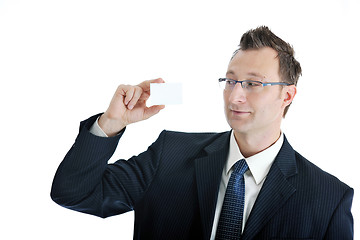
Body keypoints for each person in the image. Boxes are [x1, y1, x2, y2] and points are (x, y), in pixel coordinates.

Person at [51, 26, 354, 239]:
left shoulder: (328, 198)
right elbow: (74, 192)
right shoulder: (170, 153)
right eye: (230, 80)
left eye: (252, 83)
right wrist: (111, 123)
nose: (235, 96)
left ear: (287, 95)